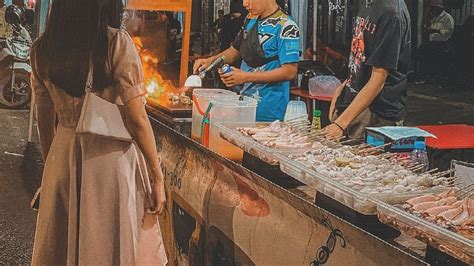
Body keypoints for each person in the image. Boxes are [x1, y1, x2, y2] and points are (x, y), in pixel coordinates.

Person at [30, 0, 167, 264]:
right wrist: (156, 175)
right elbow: (137, 119)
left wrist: (52, 168)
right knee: (108, 245)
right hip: (110, 162)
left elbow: (44, 120)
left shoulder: (41, 50)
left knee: (62, 246)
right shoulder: (115, 43)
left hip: (62, 154)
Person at [194, 0, 300, 122]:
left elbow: (290, 71)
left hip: (269, 111)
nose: (245, 4)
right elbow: (234, 51)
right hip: (244, 105)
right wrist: (211, 61)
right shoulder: (250, 19)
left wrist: (246, 77)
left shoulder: (287, 27)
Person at [324, 0, 411, 140]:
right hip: (353, 108)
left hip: (375, 116)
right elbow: (362, 57)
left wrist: (340, 124)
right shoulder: (367, 3)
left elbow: (378, 79)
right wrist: (341, 90)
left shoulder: (392, 14)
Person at [418, 0, 454, 77]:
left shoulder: (447, 17)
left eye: (434, 8)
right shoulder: (434, 17)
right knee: (421, 50)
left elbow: (449, 31)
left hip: (442, 42)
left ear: (439, 8)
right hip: (433, 42)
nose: (433, 10)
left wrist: (437, 31)